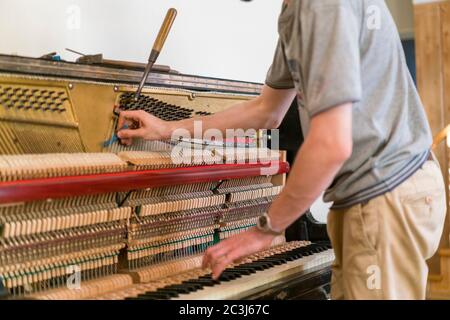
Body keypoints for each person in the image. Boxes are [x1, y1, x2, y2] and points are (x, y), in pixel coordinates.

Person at [117, 0, 446, 300]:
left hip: (383, 197)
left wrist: (264, 231)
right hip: (376, 196)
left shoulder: (318, 7)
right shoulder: (298, 13)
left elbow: (331, 144)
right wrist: (167, 129)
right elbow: (267, 112)